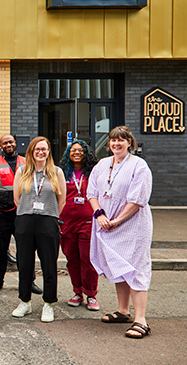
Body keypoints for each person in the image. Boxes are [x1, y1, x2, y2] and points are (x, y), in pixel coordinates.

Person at [88, 126, 153, 339]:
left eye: (121, 140)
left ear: (129, 143)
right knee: (118, 265)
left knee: (135, 267)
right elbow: (92, 193)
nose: (117, 144)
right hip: (105, 223)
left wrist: (118, 220)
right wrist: (99, 215)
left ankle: (141, 320)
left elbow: (137, 199)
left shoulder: (138, 165)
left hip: (131, 224)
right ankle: (123, 311)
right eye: (113, 140)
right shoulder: (102, 164)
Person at [12, 136, 66, 323]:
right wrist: (29, 212)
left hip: (48, 222)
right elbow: (16, 198)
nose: (41, 152)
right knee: (25, 264)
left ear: (49, 151)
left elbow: (62, 199)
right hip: (25, 221)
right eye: (37, 149)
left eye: (44, 149)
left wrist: (53, 216)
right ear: (31, 152)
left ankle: (48, 304)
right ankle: (24, 302)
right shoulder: (22, 171)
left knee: (49, 264)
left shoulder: (56, 172)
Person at [0, 134, 42, 294]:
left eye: (11, 142)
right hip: (1, 213)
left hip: (23, 213)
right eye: (5, 143)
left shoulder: (26, 161)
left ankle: (29, 281)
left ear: (15, 143)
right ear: (1, 145)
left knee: (26, 249)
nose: (8, 145)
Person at [59, 139, 100, 311]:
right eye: (73, 150)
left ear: (86, 153)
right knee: (72, 259)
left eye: (80, 150)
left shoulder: (93, 173)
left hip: (88, 222)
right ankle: (77, 292)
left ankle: (91, 294)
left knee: (88, 259)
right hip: (66, 222)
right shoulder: (62, 173)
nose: (77, 153)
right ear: (68, 154)